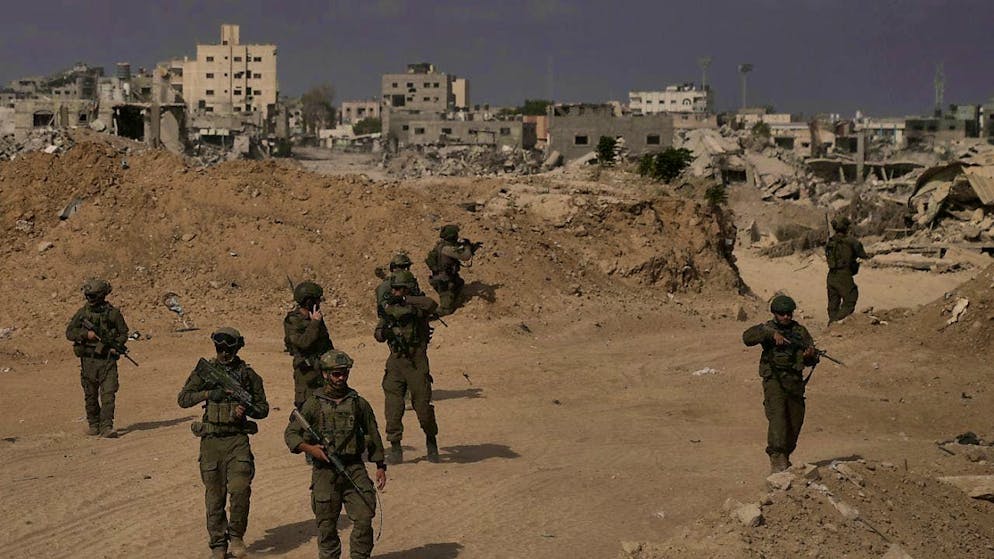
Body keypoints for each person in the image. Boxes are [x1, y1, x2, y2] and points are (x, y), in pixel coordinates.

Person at [285, 350, 387, 559]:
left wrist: (380, 465)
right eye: (336, 374)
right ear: (325, 374)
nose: (341, 378)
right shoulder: (314, 403)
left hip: (353, 467)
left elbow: (373, 433)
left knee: (365, 515)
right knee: (327, 525)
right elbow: (291, 434)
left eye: (344, 374)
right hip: (325, 472)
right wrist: (311, 449)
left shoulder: (358, 403)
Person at [177, 327, 269, 559]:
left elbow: (262, 409)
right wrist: (209, 395)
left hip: (237, 440)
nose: (223, 353)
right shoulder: (205, 372)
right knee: (214, 497)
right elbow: (184, 399)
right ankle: (218, 544)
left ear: (237, 348)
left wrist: (245, 409)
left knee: (240, 490)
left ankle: (236, 536)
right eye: (219, 348)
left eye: (228, 349)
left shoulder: (248, 376)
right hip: (211, 440)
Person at [742, 295, 819, 474]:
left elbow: (810, 358)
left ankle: (785, 456)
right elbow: (747, 337)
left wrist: (809, 356)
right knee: (778, 419)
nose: (786, 317)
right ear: (775, 314)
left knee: (795, 421)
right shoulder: (768, 328)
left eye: (789, 313)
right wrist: (770, 334)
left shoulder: (800, 332)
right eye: (782, 314)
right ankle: (777, 460)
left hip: (794, 383)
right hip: (774, 381)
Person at [375, 270, 441, 464]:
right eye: (394, 289)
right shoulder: (390, 308)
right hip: (395, 362)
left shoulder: (418, 306)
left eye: (400, 289)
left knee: (422, 407)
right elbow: (378, 334)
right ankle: (395, 447)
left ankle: (431, 441)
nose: (395, 292)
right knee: (393, 408)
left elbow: (431, 304)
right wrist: (385, 331)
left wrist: (407, 299)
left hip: (416, 362)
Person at [65, 278, 129, 437]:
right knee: (91, 395)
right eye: (88, 296)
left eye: (92, 296)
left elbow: (123, 333)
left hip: (107, 360)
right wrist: (86, 334)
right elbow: (70, 333)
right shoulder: (83, 313)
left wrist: (115, 345)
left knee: (108, 394)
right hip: (88, 361)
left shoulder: (113, 313)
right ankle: (94, 424)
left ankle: (107, 426)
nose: (89, 299)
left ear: (101, 295)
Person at [285, 280, 335, 409]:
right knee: (307, 409)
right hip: (306, 374)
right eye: (316, 300)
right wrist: (314, 323)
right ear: (309, 302)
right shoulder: (293, 320)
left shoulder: (316, 317)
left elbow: (326, 343)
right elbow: (303, 343)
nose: (319, 303)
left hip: (321, 370)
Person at [425, 223, 481, 316]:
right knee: (446, 310)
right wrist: (467, 246)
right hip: (444, 281)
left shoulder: (442, 245)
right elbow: (465, 256)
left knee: (459, 283)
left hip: (445, 276)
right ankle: (428, 316)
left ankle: (452, 299)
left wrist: (472, 247)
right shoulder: (447, 249)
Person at [825, 215, 868, 323]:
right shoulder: (852, 241)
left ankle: (832, 323)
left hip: (831, 275)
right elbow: (863, 255)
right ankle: (835, 322)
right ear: (847, 228)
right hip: (844, 275)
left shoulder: (830, 242)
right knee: (851, 298)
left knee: (833, 303)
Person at [375, 253, 423, 319]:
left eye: (405, 267)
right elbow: (382, 309)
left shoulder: (410, 280)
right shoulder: (386, 285)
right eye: (401, 267)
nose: (403, 271)